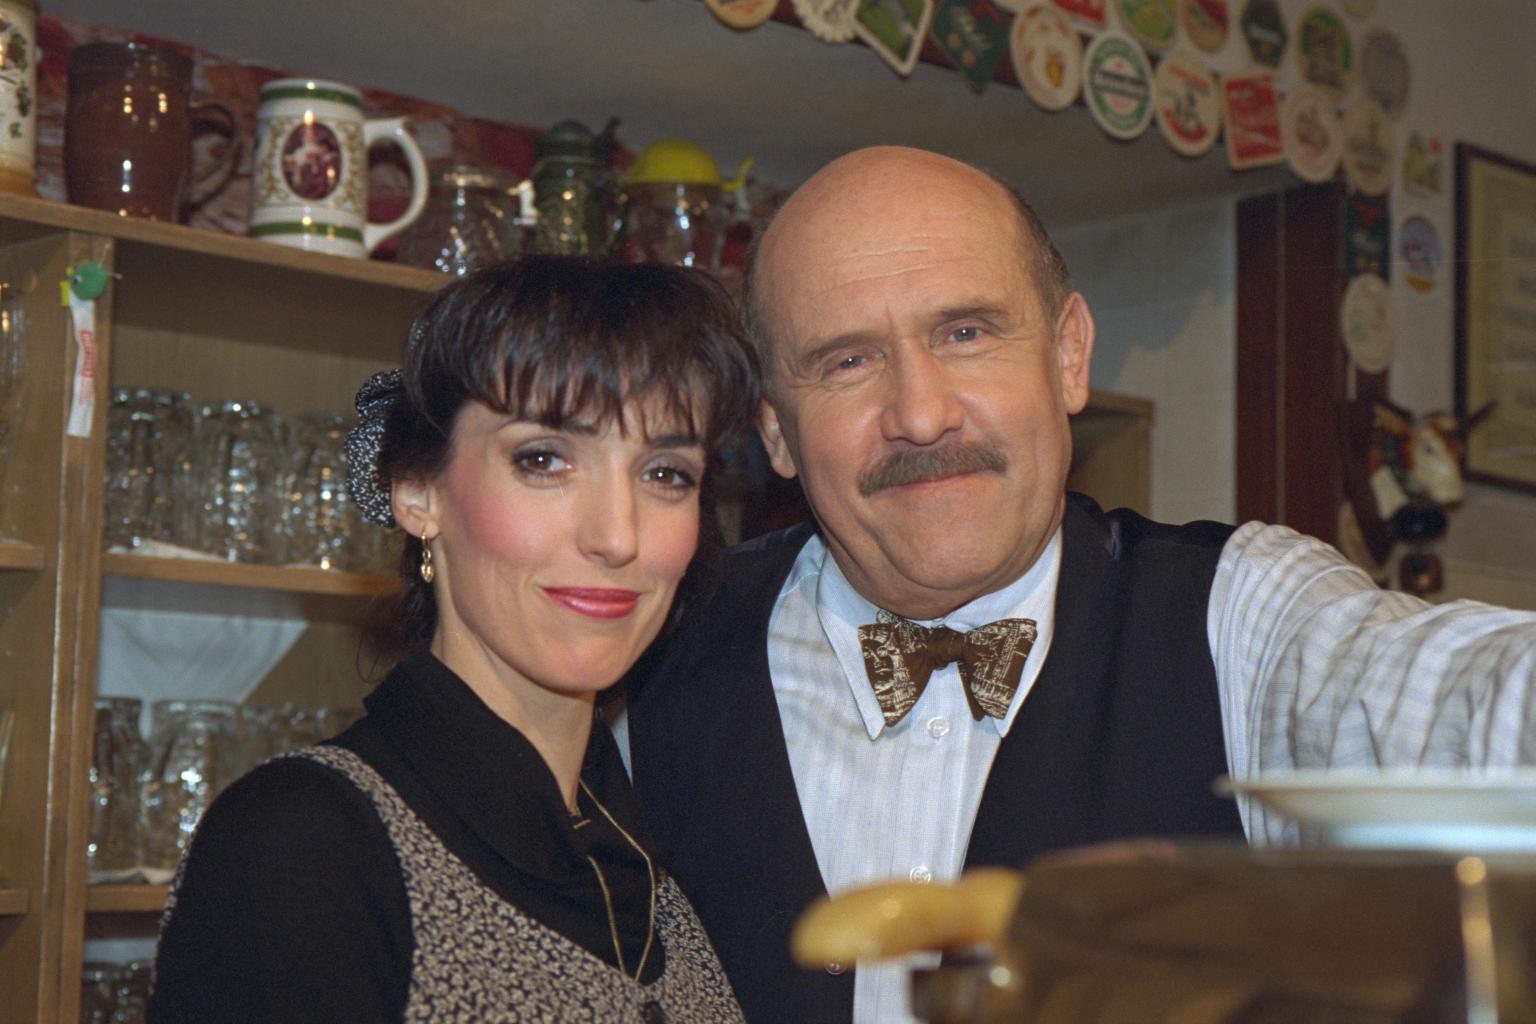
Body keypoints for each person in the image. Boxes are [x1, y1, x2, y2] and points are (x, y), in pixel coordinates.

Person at [621, 146, 1536, 1024]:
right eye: (847, 361)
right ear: (774, 430)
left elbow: (1467, 698)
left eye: (966, 333)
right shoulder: (645, 647)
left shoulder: (1241, 613)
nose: (922, 415)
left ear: (1068, 355)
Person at [149, 257, 758, 1023]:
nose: (617, 535)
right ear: (417, 490)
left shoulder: (648, 864)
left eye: (666, 473)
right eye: (544, 460)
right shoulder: (303, 844)